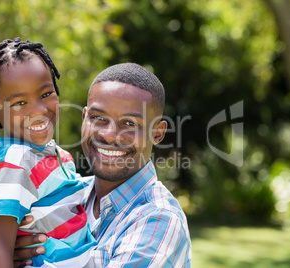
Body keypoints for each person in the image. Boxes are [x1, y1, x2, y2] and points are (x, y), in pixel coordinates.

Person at [13, 63, 192, 267]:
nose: (109, 134)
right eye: (98, 118)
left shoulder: (159, 219)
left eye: (130, 123)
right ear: (84, 118)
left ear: (158, 133)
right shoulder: (66, 194)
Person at [0, 37, 96, 268]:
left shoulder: (53, 154)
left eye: (46, 94)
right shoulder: (13, 164)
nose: (38, 110)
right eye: (19, 103)